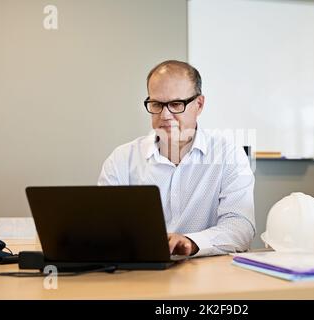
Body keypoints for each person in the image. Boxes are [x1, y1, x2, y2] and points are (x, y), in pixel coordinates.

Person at [98, 60, 255, 257]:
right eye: (156, 104)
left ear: (199, 105)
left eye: (175, 104)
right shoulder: (121, 159)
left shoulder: (229, 156)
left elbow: (241, 228)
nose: (165, 115)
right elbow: (105, 226)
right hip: (139, 274)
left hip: (206, 275)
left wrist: (192, 242)